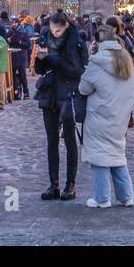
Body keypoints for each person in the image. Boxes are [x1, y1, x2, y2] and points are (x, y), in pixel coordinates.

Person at [78, 24, 134, 208]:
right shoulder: (125, 60)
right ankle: (126, 196)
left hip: (100, 115)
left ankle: (102, 198)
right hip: (120, 116)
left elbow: (84, 88)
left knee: (100, 158)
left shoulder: (97, 62)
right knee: (117, 155)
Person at [34, 11, 88, 201]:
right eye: (52, 30)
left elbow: (79, 71)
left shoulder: (77, 40)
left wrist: (57, 61)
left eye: (58, 30)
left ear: (66, 26)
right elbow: (39, 70)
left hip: (68, 93)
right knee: (51, 140)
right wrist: (41, 60)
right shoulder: (45, 37)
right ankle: (53, 184)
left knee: (70, 140)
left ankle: (70, 184)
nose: (54, 33)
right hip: (49, 92)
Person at [7, 15, 33, 99]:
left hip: (21, 56)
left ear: (18, 23)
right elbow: (5, 41)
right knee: (13, 75)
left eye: (15, 22)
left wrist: (20, 42)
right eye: (12, 23)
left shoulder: (23, 32)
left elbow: (28, 45)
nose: (13, 24)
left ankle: (26, 92)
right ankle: (15, 92)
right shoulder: (10, 32)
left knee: (22, 74)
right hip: (12, 56)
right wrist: (8, 41)